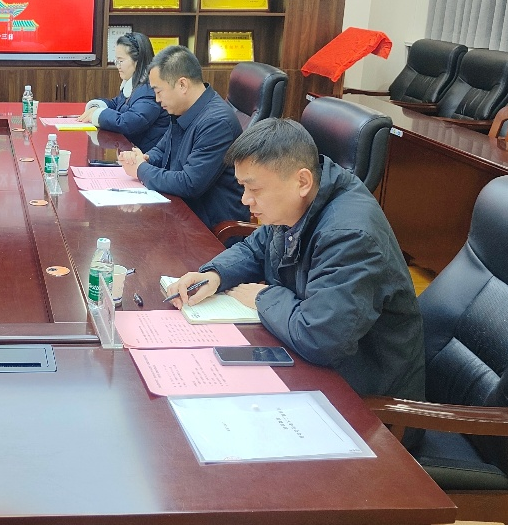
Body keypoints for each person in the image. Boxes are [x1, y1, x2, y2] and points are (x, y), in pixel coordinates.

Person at [167, 118, 426, 401]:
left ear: (302, 181)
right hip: (311, 361)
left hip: (365, 396)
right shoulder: (300, 200)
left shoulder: (350, 236)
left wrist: (263, 297)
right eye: (242, 187)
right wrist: (215, 274)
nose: (245, 200)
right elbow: (258, 247)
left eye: (254, 189)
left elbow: (320, 338)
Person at [118, 45, 248, 229]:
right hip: (181, 213)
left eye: (159, 91)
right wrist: (145, 158)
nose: (157, 99)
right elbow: (163, 149)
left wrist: (141, 169)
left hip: (207, 228)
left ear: (182, 85)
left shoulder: (217, 123)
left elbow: (189, 183)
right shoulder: (184, 109)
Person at [78, 32, 168, 151]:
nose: (118, 66)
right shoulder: (134, 85)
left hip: (147, 157)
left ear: (137, 61)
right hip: (132, 152)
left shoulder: (149, 90)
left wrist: (98, 115)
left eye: (121, 61)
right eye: (116, 61)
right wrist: (97, 107)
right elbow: (116, 104)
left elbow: (129, 123)